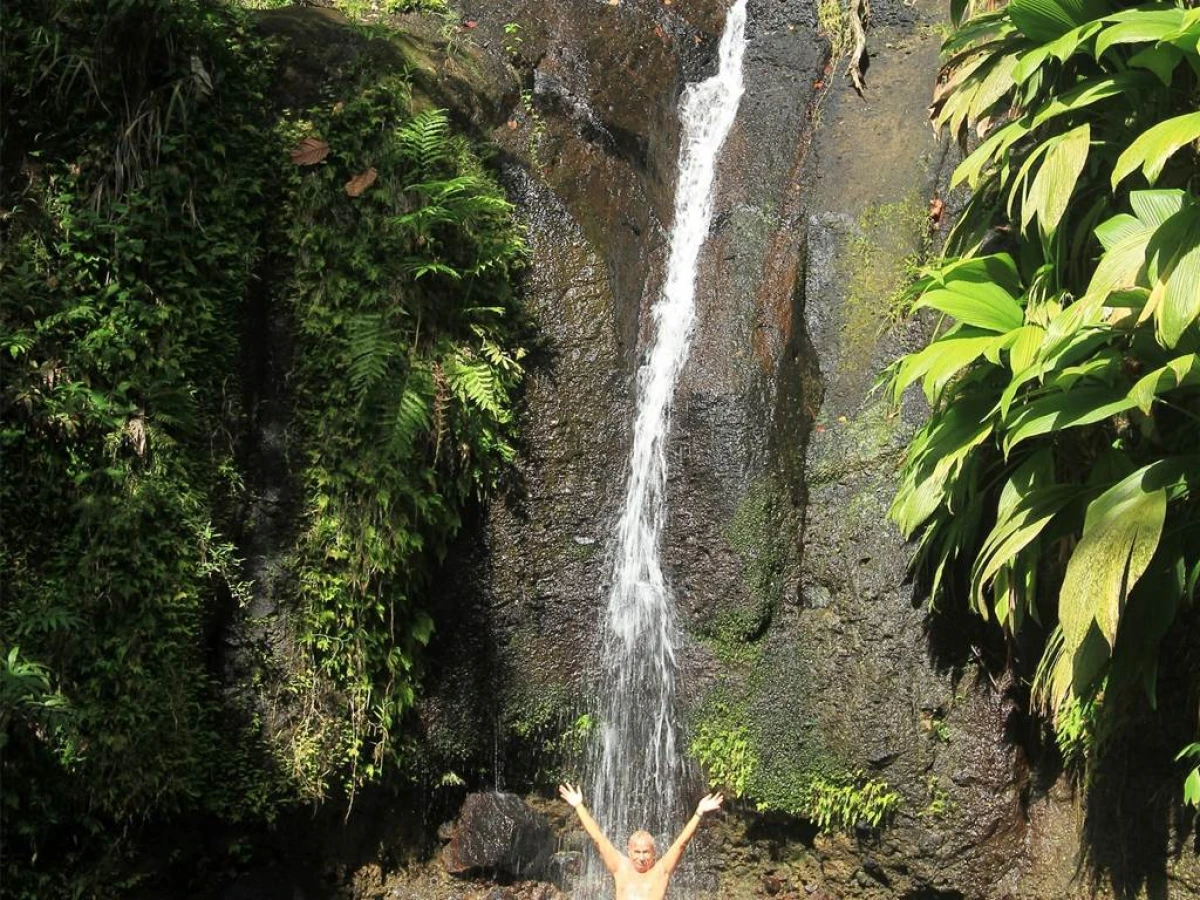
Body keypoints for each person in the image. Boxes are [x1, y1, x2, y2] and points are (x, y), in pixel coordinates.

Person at [558, 782, 724, 900]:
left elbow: (681, 843)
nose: (642, 857)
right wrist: (579, 806)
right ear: (629, 851)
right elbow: (598, 839)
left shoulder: (661, 871)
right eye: (637, 852)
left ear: (654, 854)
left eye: (646, 852)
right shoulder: (620, 867)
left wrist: (699, 813)